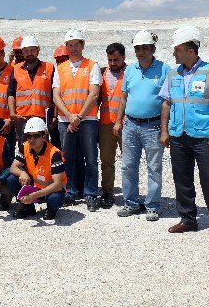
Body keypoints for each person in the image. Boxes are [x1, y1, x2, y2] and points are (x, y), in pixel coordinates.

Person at [159, 26, 209, 242]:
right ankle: (188, 219)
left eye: (177, 49)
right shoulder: (174, 74)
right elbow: (166, 103)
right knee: (182, 179)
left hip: (205, 137)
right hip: (179, 136)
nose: (174, 53)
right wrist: (164, 131)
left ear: (191, 50)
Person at [114, 30, 170, 221]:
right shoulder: (129, 70)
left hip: (153, 126)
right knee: (128, 166)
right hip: (130, 124)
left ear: (153, 49)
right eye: (138, 48)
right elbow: (124, 98)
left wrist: (165, 129)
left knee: (154, 167)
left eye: (145, 48)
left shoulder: (164, 70)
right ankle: (131, 203)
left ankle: (153, 205)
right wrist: (117, 121)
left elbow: (167, 102)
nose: (141, 52)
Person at [52, 29, 102, 211]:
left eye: (76, 45)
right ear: (66, 47)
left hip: (87, 119)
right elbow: (56, 96)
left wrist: (78, 116)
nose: (73, 49)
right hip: (66, 121)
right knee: (68, 158)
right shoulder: (60, 68)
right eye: (70, 45)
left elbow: (94, 93)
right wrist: (70, 116)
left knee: (90, 158)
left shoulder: (92, 65)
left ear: (83, 45)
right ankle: (71, 191)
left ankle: (90, 193)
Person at [7, 117, 67, 220]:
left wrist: (34, 196)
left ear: (44, 136)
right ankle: (28, 208)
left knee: (55, 199)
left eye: (36, 136)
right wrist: (22, 173)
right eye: (29, 136)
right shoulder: (25, 146)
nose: (31, 139)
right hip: (35, 186)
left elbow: (57, 185)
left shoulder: (54, 153)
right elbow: (13, 168)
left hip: (51, 190)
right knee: (11, 179)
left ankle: (51, 210)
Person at [8, 35, 54, 146]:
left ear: (38, 50)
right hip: (22, 118)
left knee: (43, 148)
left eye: (32, 50)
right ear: (22, 52)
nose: (29, 53)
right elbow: (11, 93)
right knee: (23, 150)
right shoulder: (16, 69)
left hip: (42, 117)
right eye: (26, 51)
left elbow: (55, 94)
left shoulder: (49, 68)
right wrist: (12, 113)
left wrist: (54, 116)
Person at [97, 42, 127, 209]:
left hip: (126, 124)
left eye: (116, 59)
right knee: (106, 161)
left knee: (129, 161)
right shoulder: (102, 73)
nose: (113, 63)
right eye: (110, 60)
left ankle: (131, 194)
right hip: (105, 124)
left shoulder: (131, 72)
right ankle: (107, 193)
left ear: (124, 57)